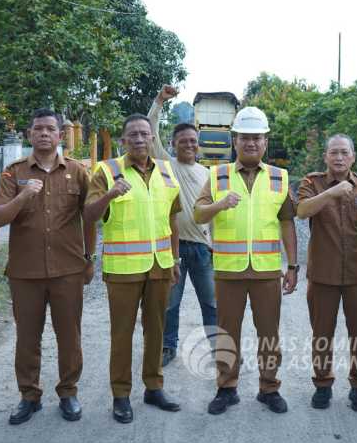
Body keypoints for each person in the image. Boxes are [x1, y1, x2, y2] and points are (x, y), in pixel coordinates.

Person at [193, 106, 299, 415]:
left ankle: (269, 388)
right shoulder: (217, 175)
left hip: (266, 271)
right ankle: (226, 388)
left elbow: (287, 223)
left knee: (269, 333)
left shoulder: (280, 177)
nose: (251, 143)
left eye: (257, 138)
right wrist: (219, 204)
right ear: (234, 141)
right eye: (244, 138)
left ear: (266, 142)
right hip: (228, 270)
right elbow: (198, 214)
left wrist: (292, 265)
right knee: (228, 332)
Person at [0, 109, 94, 424]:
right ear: (29, 134)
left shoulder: (77, 172)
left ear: (60, 136)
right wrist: (24, 195)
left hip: (67, 270)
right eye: (38, 129)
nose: (44, 134)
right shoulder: (13, 173)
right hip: (26, 272)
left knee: (69, 335)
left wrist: (89, 258)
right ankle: (29, 395)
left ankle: (68, 392)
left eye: (51, 129)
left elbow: (89, 218)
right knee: (27, 337)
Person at [83, 113, 182, 423]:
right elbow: (88, 214)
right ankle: (121, 394)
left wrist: (175, 259)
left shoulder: (166, 171)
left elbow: (172, 219)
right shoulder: (106, 172)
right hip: (124, 269)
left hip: (160, 265)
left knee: (156, 331)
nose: (139, 139)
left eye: (144, 134)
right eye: (133, 135)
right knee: (122, 334)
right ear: (123, 141)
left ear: (152, 137)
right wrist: (111, 194)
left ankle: (153, 387)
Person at [296, 133, 357, 412]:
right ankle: (322, 385)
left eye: (344, 152)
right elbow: (302, 211)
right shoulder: (312, 183)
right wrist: (331, 192)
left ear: (353, 157)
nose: (339, 157)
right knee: (322, 333)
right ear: (325, 157)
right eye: (333, 152)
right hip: (323, 274)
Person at [147, 86, 216, 366]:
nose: (189, 144)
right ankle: (167, 347)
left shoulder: (208, 174)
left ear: (198, 144)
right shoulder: (167, 165)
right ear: (173, 145)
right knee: (170, 304)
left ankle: (217, 346)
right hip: (172, 249)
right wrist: (159, 101)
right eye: (183, 141)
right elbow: (151, 132)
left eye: (193, 141)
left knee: (211, 303)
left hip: (202, 249)